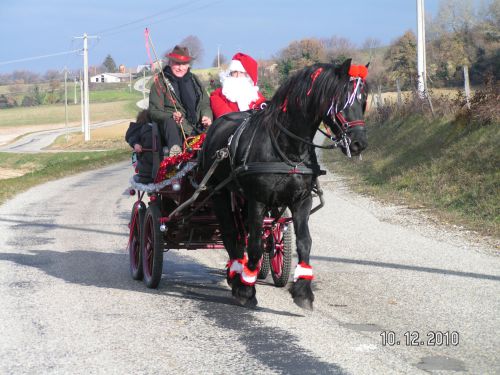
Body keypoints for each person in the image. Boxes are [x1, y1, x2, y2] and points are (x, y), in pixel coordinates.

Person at [148, 45, 212, 156]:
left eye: (184, 64)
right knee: (170, 121)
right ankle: (176, 154)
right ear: (170, 62)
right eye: (177, 64)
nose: (180, 68)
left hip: (197, 129)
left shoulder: (194, 80)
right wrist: (171, 115)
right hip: (174, 131)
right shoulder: (159, 83)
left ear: (188, 65)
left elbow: (204, 103)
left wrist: (207, 116)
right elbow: (153, 112)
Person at [210, 52, 267, 119]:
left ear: (247, 76)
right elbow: (224, 116)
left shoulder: (255, 95)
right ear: (230, 73)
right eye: (235, 72)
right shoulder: (220, 94)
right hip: (232, 128)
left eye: (241, 72)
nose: (237, 76)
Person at [125, 110, 154, 183]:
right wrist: (135, 143)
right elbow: (133, 137)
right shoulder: (146, 128)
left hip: (144, 169)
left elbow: (132, 137)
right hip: (149, 165)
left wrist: (135, 144)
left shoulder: (137, 128)